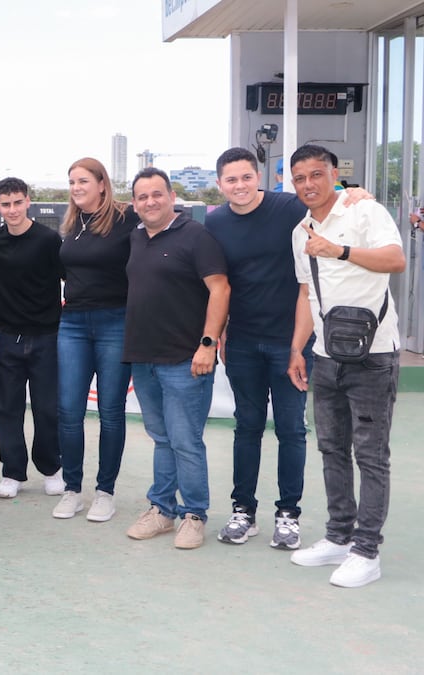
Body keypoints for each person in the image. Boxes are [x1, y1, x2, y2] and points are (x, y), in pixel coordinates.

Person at [207, 147, 372, 550]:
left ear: (258, 176)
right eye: (231, 180)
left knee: (291, 429)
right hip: (242, 341)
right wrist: (223, 330)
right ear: (220, 185)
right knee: (246, 427)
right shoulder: (215, 223)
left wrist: (357, 192)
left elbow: (329, 201)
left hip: (291, 341)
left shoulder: (288, 207)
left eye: (246, 177)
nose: (240, 186)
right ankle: (242, 511)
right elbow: (220, 283)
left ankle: (288, 515)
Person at [287, 144, 405, 588]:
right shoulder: (301, 230)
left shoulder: (364, 211)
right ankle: (339, 536)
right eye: (299, 178)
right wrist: (297, 349)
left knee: (371, 455)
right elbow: (306, 295)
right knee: (331, 448)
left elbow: (395, 260)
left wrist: (339, 250)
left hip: (373, 354)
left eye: (316, 174)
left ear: (334, 174)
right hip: (325, 356)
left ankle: (366, 551)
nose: (308, 184)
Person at [123, 168, 230, 550]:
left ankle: (195, 514)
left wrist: (207, 343)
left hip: (186, 359)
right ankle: (163, 510)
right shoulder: (135, 237)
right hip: (144, 356)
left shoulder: (196, 237)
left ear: (171, 197)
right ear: (134, 204)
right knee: (162, 439)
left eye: (157, 194)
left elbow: (220, 289)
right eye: (142, 197)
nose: (150, 202)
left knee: (186, 440)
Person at [0, 177, 65, 500]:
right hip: (8, 336)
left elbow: (73, 277)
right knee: (6, 408)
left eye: (18, 202)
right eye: (6, 204)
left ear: (28, 201)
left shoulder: (49, 240)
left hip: (47, 336)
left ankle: (51, 469)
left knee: (48, 408)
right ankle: (12, 472)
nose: (12, 209)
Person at [51, 158, 137, 522]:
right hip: (72, 324)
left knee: (111, 413)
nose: (75, 187)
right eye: (71, 181)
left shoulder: (126, 218)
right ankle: (72, 489)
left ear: (102, 183)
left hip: (114, 322)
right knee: (69, 411)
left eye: (83, 180)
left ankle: (105, 492)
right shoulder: (72, 224)